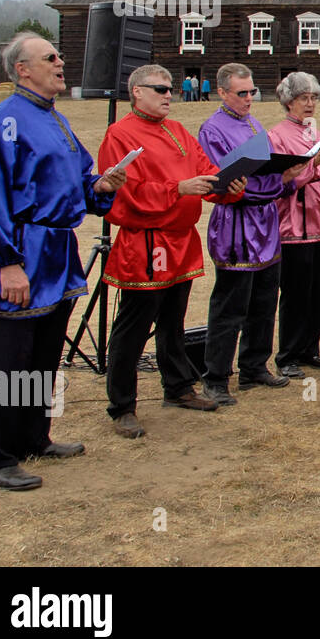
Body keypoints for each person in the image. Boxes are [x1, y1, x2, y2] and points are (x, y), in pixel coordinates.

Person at [0, 33, 124, 490]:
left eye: (60, 55)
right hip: (20, 252)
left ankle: (34, 435)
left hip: (57, 252)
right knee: (9, 363)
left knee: (43, 356)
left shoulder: (57, 119)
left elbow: (75, 181)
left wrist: (99, 187)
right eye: (50, 58)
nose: (60, 63)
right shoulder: (5, 122)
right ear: (23, 69)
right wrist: (6, 262)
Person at [97, 65, 247, 439]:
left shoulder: (179, 131)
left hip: (181, 240)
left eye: (171, 88)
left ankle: (178, 387)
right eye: (160, 89)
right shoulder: (120, 134)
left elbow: (206, 173)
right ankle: (122, 405)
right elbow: (125, 195)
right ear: (137, 92)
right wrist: (177, 189)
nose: (169, 94)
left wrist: (229, 184)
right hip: (146, 242)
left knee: (173, 322)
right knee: (133, 327)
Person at [198, 63, 306, 405]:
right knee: (231, 307)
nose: (248, 99)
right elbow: (229, 184)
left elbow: (264, 170)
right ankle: (216, 377)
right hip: (235, 227)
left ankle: (254, 366)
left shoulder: (254, 124)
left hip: (266, 226)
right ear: (223, 93)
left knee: (264, 301)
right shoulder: (212, 130)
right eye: (241, 93)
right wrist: (280, 181)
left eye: (252, 92)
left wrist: (284, 175)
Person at [269, 72, 320, 378]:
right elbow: (280, 182)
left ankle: (311, 347)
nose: (310, 103)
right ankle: (287, 354)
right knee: (296, 294)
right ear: (289, 102)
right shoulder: (277, 136)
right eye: (303, 98)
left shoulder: (315, 132)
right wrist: (314, 165)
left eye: (314, 97)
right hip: (295, 229)